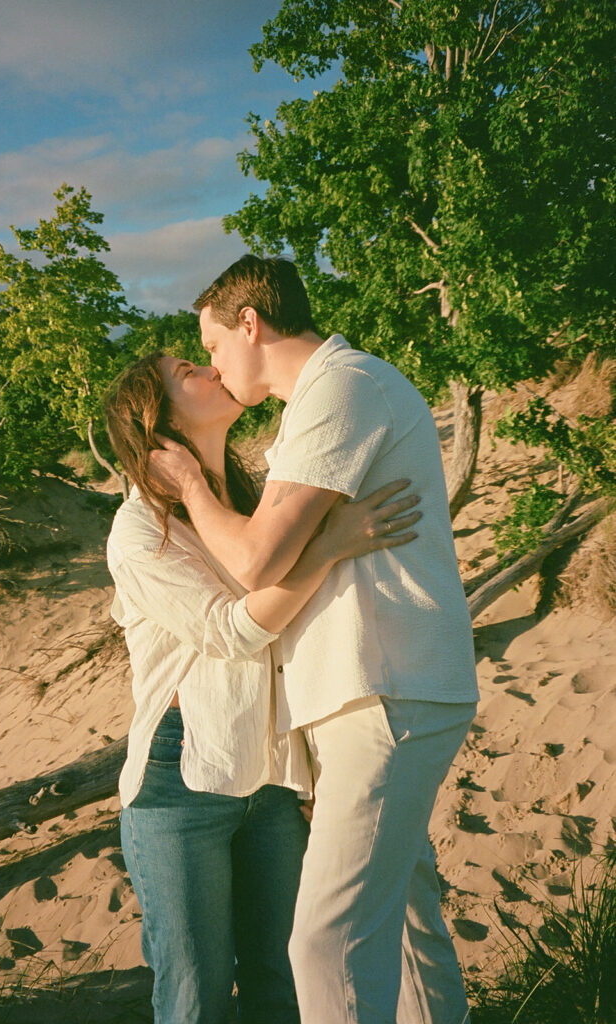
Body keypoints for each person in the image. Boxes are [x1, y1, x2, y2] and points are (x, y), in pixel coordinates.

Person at [148, 255, 480, 1024]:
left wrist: (192, 486)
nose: (216, 366)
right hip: (370, 688)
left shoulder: (341, 386)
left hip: (383, 687)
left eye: (214, 346)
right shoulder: (322, 399)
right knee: (399, 928)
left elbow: (259, 558)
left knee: (322, 947)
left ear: (250, 324)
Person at [102, 350, 422, 1024]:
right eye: (190, 369)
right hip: (178, 779)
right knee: (196, 998)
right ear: (156, 416)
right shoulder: (138, 531)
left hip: (272, 772)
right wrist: (330, 546)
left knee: (283, 988)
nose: (212, 370)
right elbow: (231, 632)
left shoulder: (253, 505)